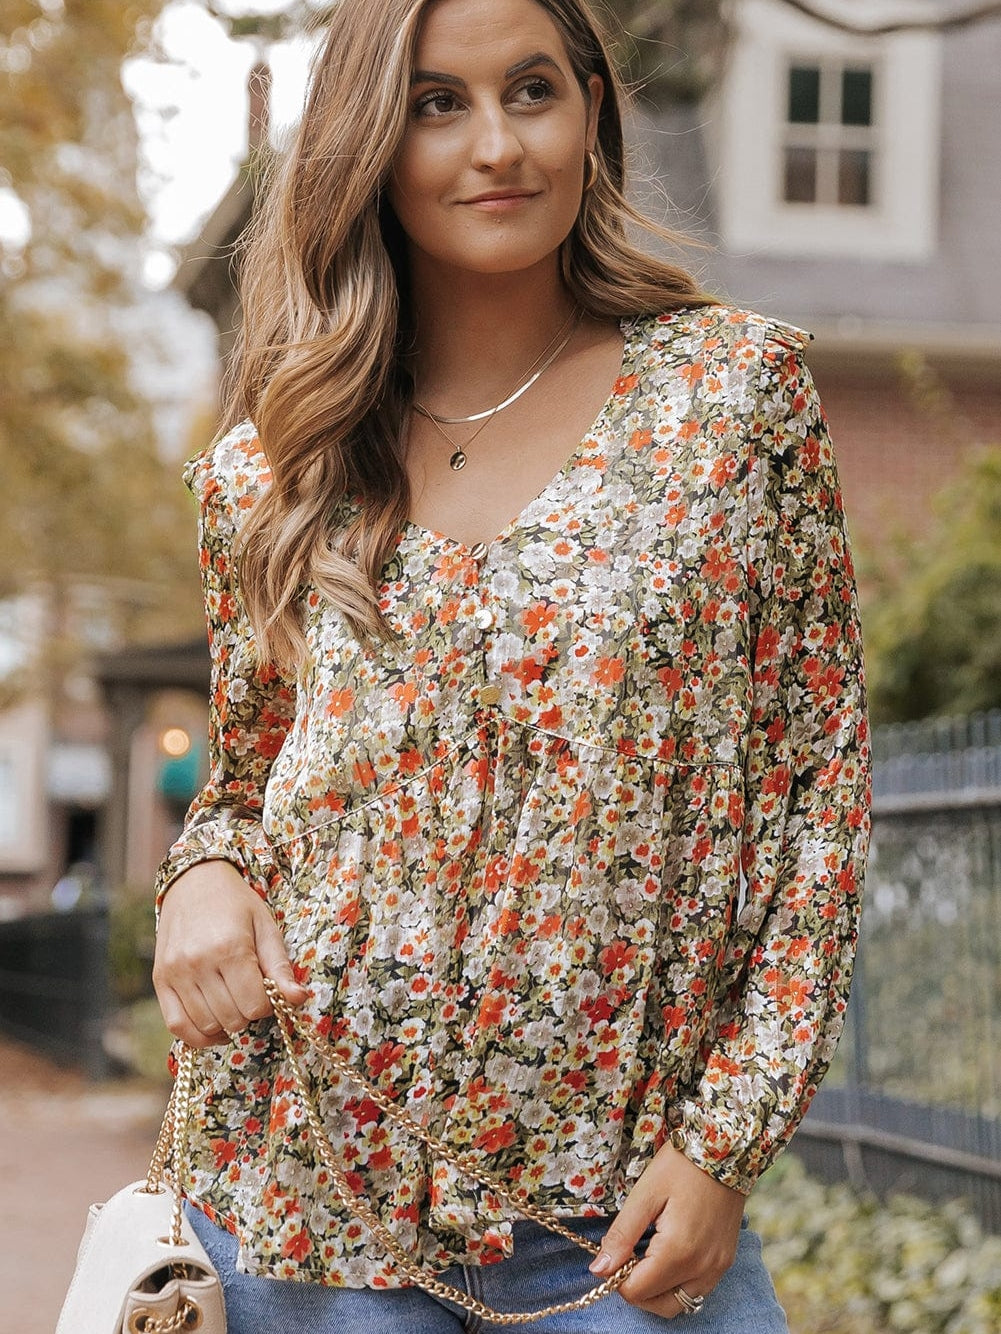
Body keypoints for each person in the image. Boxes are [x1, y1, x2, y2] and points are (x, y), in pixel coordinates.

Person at [152, 0, 871, 1329]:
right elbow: (247, 782)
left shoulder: (729, 402)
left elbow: (815, 798)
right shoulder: (276, 465)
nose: (495, 144)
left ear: (591, 106)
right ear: (372, 136)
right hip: (302, 1209)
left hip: (613, 1231)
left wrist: (726, 1138)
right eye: (438, 103)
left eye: (529, 90)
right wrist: (200, 872)